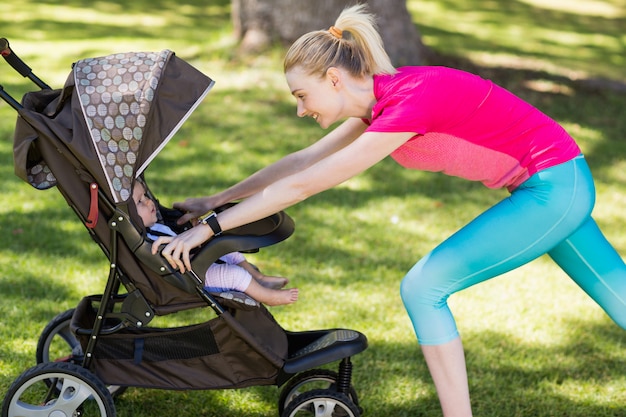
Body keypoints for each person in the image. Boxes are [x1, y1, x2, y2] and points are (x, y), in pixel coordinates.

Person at [152, 4, 626, 416]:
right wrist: (215, 201)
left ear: (333, 79)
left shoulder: (407, 103)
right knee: (618, 296)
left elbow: (305, 183)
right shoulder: (379, 104)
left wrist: (207, 230)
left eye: (301, 96)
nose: (300, 110)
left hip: (553, 187)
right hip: (555, 183)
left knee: (423, 287)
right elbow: (300, 161)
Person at [132, 181, 298, 306]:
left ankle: (258, 277)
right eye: (140, 202)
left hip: (199, 260)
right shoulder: (149, 242)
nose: (148, 201)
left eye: (145, 196)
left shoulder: (156, 226)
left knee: (229, 250)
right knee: (234, 274)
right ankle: (268, 297)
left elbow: (179, 235)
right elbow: (171, 259)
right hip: (190, 276)